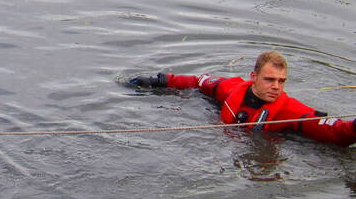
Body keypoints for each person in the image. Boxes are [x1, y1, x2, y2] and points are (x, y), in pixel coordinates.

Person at [128, 50, 356, 146]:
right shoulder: (231, 87)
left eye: (281, 81)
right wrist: (160, 80)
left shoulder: (289, 109)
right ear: (253, 77)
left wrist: (353, 127)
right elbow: (197, 82)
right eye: (269, 80)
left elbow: (332, 129)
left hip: (260, 150)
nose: (276, 86)